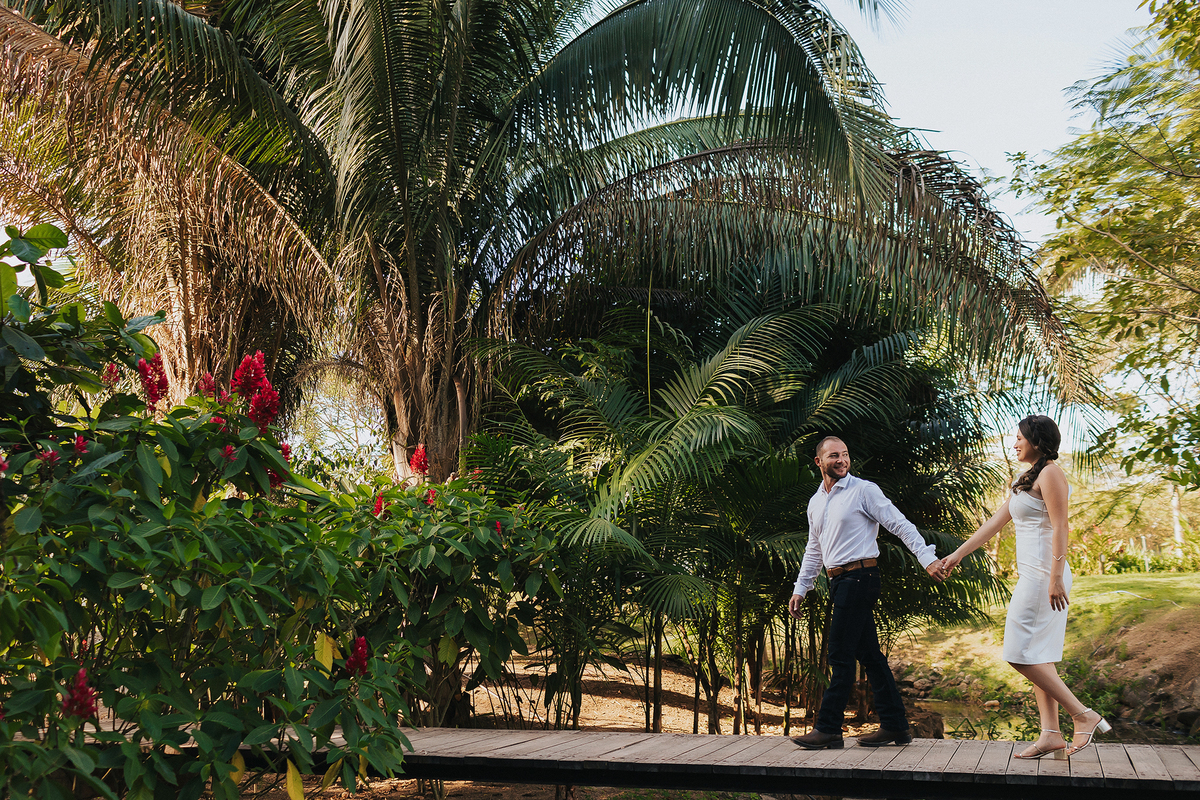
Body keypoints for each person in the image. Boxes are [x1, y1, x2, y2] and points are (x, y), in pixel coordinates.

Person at [939, 415, 1111, 759]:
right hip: (1032, 576)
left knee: (1018, 654)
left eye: (1019, 437)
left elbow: (1062, 527)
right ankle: (1051, 734)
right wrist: (957, 554)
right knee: (1040, 656)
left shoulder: (1051, 474)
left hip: (1045, 576)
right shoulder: (1025, 477)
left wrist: (1055, 577)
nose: (1014, 443)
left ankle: (1084, 715)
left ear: (1036, 440)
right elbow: (995, 522)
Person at [788, 436, 945, 749]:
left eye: (845, 454)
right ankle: (896, 726)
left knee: (840, 655)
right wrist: (801, 588)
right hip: (838, 582)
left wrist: (926, 558)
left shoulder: (864, 491)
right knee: (870, 656)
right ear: (819, 462)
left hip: (861, 577)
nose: (842, 460)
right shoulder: (816, 501)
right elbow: (814, 549)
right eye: (834, 456)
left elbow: (899, 525)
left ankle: (829, 728)